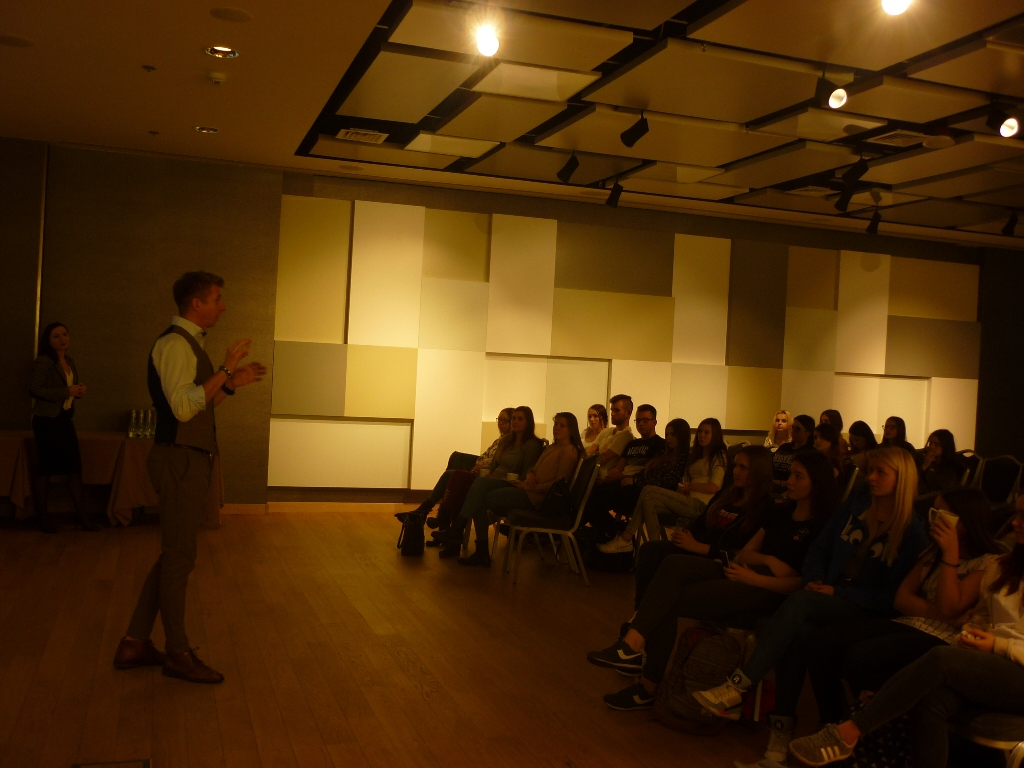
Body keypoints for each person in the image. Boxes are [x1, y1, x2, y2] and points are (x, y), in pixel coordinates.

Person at [693, 447, 928, 766]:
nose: (871, 477)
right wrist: (817, 579)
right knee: (800, 632)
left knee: (800, 603)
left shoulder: (912, 532)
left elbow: (889, 598)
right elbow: (819, 549)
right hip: (824, 593)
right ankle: (778, 742)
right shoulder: (856, 506)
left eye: (880, 472)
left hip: (863, 608)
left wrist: (834, 591)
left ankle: (739, 686)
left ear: (902, 480)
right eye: (870, 470)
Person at [787, 491, 1024, 768]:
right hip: (990, 664)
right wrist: (973, 634)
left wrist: (998, 645)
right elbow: (981, 618)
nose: (1014, 522)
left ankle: (847, 733)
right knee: (931, 702)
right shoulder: (1002, 568)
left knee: (940, 657)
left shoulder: (987, 562)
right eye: (1017, 513)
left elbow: (954, 613)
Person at [591, 450, 838, 712]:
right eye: (791, 475)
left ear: (816, 483)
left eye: (798, 476)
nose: (789, 481)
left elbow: (801, 586)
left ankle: (645, 680)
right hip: (744, 574)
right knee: (672, 565)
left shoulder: (821, 526)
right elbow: (745, 553)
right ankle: (633, 646)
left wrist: (754, 577)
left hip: (769, 594)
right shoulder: (781, 512)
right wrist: (769, 561)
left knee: (666, 599)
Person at [114, 272, 267, 684]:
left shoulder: (188, 344)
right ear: (196, 304)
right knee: (179, 558)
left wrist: (231, 384)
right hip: (178, 459)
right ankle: (178, 653)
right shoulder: (174, 344)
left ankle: (134, 642)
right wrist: (225, 368)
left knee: (175, 556)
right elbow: (183, 409)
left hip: (188, 458)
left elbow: (199, 405)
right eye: (217, 299)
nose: (223, 306)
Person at [805, 486, 1002, 727]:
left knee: (862, 657)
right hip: (910, 622)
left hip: (942, 638)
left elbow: (949, 606)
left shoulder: (986, 563)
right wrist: (944, 615)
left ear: (964, 523)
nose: (933, 520)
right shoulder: (933, 551)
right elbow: (902, 599)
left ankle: (869, 728)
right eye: (933, 512)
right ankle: (832, 722)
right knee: (822, 642)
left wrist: (950, 555)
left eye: (941, 515)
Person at [630, 446, 778, 624]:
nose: (736, 471)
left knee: (672, 562)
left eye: (743, 468)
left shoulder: (763, 507)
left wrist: (700, 547)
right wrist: (687, 533)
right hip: (696, 545)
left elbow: (738, 549)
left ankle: (646, 617)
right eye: (735, 466)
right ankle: (641, 612)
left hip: (717, 558)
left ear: (758, 472)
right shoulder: (727, 495)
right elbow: (701, 520)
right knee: (650, 550)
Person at [437, 412, 582, 567]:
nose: (556, 428)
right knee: (480, 486)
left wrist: (529, 486)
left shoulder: (568, 451)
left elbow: (558, 485)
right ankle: (470, 542)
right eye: (556, 424)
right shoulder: (552, 447)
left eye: (562, 425)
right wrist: (530, 475)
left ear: (571, 429)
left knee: (480, 499)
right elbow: (533, 468)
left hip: (538, 498)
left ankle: (467, 538)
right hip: (528, 490)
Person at [433, 405, 544, 559]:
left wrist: (496, 477)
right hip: (493, 478)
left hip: (510, 482)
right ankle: (469, 544)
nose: (515, 422)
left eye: (520, 419)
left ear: (528, 422)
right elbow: (493, 464)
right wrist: (487, 472)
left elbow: (526, 473)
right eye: (514, 418)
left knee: (479, 487)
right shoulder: (506, 440)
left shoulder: (531, 445)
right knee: (463, 482)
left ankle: (457, 531)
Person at [29, 322, 98, 533]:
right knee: (46, 468)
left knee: (74, 468)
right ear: (48, 341)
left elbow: (68, 389)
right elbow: (35, 389)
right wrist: (66, 391)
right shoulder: (44, 362)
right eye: (56, 336)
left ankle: (82, 516)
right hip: (47, 421)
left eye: (64, 334)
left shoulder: (70, 361)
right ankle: (43, 517)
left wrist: (78, 391)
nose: (62, 339)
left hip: (64, 419)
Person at [401, 408, 514, 530]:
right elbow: (483, 457)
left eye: (505, 420)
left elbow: (496, 461)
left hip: (488, 476)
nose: (501, 423)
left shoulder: (511, 443)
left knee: (452, 474)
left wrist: (483, 464)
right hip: (481, 470)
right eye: (499, 419)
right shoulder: (498, 440)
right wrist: (481, 463)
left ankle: (430, 512)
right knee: (455, 461)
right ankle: (435, 514)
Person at [598, 418, 690, 551]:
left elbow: (668, 481)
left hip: (661, 494)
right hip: (645, 488)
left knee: (641, 495)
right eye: (667, 434)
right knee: (603, 492)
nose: (669, 438)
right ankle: (637, 541)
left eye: (673, 435)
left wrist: (635, 481)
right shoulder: (663, 454)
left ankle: (626, 537)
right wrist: (633, 478)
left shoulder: (683, 457)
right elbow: (647, 472)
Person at [584, 404, 666, 538]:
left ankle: (610, 532)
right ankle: (611, 531)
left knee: (593, 501)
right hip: (620, 483)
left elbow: (651, 473)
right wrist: (604, 478)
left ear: (654, 422)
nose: (641, 424)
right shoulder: (632, 444)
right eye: (638, 420)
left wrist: (622, 477)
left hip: (637, 487)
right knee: (587, 494)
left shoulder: (660, 444)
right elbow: (618, 468)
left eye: (645, 420)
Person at [772, 414, 815, 491]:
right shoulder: (784, 447)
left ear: (808, 433)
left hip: (789, 489)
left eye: (797, 429)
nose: (793, 431)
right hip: (771, 486)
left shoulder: (809, 453)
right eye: (792, 427)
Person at [917, 428, 964, 495]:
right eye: (930, 443)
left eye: (936, 445)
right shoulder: (924, 459)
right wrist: (924, 466)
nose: (931, 447)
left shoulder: (952, 467)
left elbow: (945, 488)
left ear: (945, 446)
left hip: (933, 497)